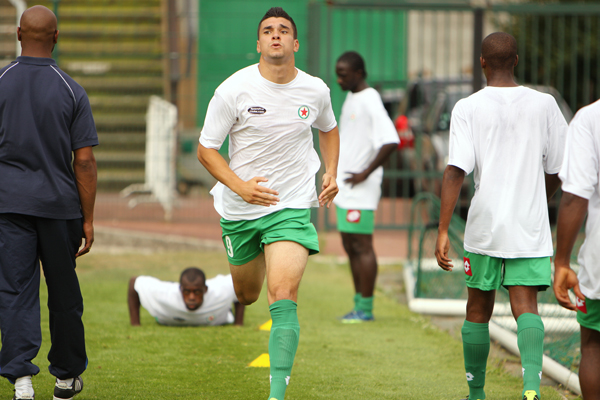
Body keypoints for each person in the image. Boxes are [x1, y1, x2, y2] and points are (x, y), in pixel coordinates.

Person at [197, 7, 339, 400]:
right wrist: (240, 187)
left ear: (295, 43)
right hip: (240, 210)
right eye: (267, 31)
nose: (275, 35)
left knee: (283, 293)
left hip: (290, 205)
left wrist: (331, 170)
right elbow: (206, 150)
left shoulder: (316, 90)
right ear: (257, 44)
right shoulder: (233, 90)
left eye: (283, 31)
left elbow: (328, 128)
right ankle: (248, 271)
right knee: (248, 294)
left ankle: (277, 393)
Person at [434, 32, 567, 400]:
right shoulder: (545, 105)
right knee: (526, 306)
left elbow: (455, 171)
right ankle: (530, 390)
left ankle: (476, 394)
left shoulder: (468, 107)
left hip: (485, 226)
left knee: (478, 308)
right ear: (517, 61)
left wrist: (443, 229)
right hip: (530, 226)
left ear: (482, 62)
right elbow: (560, 168)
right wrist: (539, 197)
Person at [0, 6, 98, 400]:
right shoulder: (72, 90)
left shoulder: (1, 82)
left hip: (9, 207)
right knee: (63, 292)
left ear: (19, 33)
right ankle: (66, 377)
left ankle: (21, 379)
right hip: (60, 208)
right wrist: (88, 220)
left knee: (15, 290)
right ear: (56, 38)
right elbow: (85, 161)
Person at [333, 51, 399, 323]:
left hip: (361, 188)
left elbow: (391, 140)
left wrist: (365, 173)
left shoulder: (370, 99)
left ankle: (366, 309)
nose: (338, 79)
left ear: (359, 73)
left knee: (362, 246)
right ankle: (358, 304)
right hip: (346, 187)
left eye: (343, 74)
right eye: (337, 73)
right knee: (350, 245)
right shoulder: (351, 96)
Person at [553, 99, 600, 400]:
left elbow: (575, 197)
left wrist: (561, 262)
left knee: (593, 346)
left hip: (599, 264)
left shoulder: (590, 118)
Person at [128, 267, 245, 326]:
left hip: (221, 313)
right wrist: (135, 324)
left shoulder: (219, 291)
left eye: (197, 292)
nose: (192, 297)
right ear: (180, 290)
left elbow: (240, 282)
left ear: (205, 290)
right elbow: (134, 282)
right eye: (187, 292)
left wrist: (238, 324)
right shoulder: (165, 294)